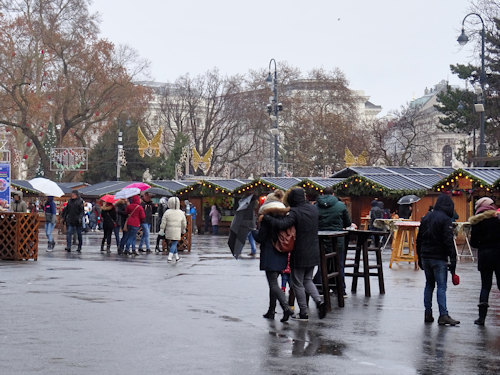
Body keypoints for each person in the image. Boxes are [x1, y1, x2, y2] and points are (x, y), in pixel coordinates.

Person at [263, 187, 327, 321]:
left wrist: (267, 218)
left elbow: (283, 224)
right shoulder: (313, 209)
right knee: (308, 279)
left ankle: (303, 312)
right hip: (313, 250)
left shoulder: (295, 212)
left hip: (300, 251)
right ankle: (319, 302)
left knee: (297, 283)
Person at [416, 194, 459, 326]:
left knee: (429, 285)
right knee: (441, 286)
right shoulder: (445, 220)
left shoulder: (426, 217)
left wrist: (419, 257)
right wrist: (453, 260)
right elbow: (448, 241)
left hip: (425, 256)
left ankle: (428, 313)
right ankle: (443, 315)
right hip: (439, 258)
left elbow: (419, 239)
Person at [252, 190, 294, 322]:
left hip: (270, 254)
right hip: (282, 253)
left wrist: (253, 232)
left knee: (273, 283)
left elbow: (261, 237)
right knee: (273, 284)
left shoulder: (266, 219)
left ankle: (286, 307)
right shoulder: (284, 217)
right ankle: (271, 310)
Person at [469, 197, 500, 326]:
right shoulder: (497, 221)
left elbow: (473, 243)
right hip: (499, 255)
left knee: (485, 286)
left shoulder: (477, 222)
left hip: (485, 256)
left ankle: (481, 318)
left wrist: (482, 244)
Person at [314, 187, 351, 296]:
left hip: (321, 239)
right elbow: (347, 223)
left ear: (322, 194)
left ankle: (320, 287)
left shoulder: (316, 206)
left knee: (322, 263)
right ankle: (340, 288)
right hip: (337, 239)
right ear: (333, 194)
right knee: (338, 264)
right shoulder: (340, 205)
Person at [159, 197, 186, 262]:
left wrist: (162, 229)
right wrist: (183, 229)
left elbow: (163, 222)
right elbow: (184, 223)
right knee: (174, 243)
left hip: (169, 230)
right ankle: (170, 257)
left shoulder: (167, 212)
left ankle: (177, 257)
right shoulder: (181, 213)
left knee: (173, 242)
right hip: (177, 230)